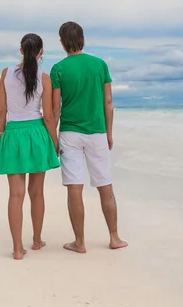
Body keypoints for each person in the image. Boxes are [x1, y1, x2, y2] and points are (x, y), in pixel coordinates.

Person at [50, 21, 128, 253]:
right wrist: (109, 133)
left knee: (74, 187)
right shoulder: (100, 65)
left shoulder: (58, 69)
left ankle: (80, 242)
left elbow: (56, 108)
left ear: (62, 43)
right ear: (83, 39)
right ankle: (114, 238)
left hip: (70, 133)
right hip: (97, 132)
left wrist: (53, 137)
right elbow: (108, 102)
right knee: (105, 185)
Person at [0, 33, 60, 260]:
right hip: (37, 133)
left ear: (21, 50)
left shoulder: (5, 73)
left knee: (15, 195)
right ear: (41, 52)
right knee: (36, 193)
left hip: (13, 134)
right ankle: (37, 240)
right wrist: (55, 141)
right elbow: (48, 116)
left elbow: (2, 110)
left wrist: (3, 132)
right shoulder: (45, 78)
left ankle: (17, 248)